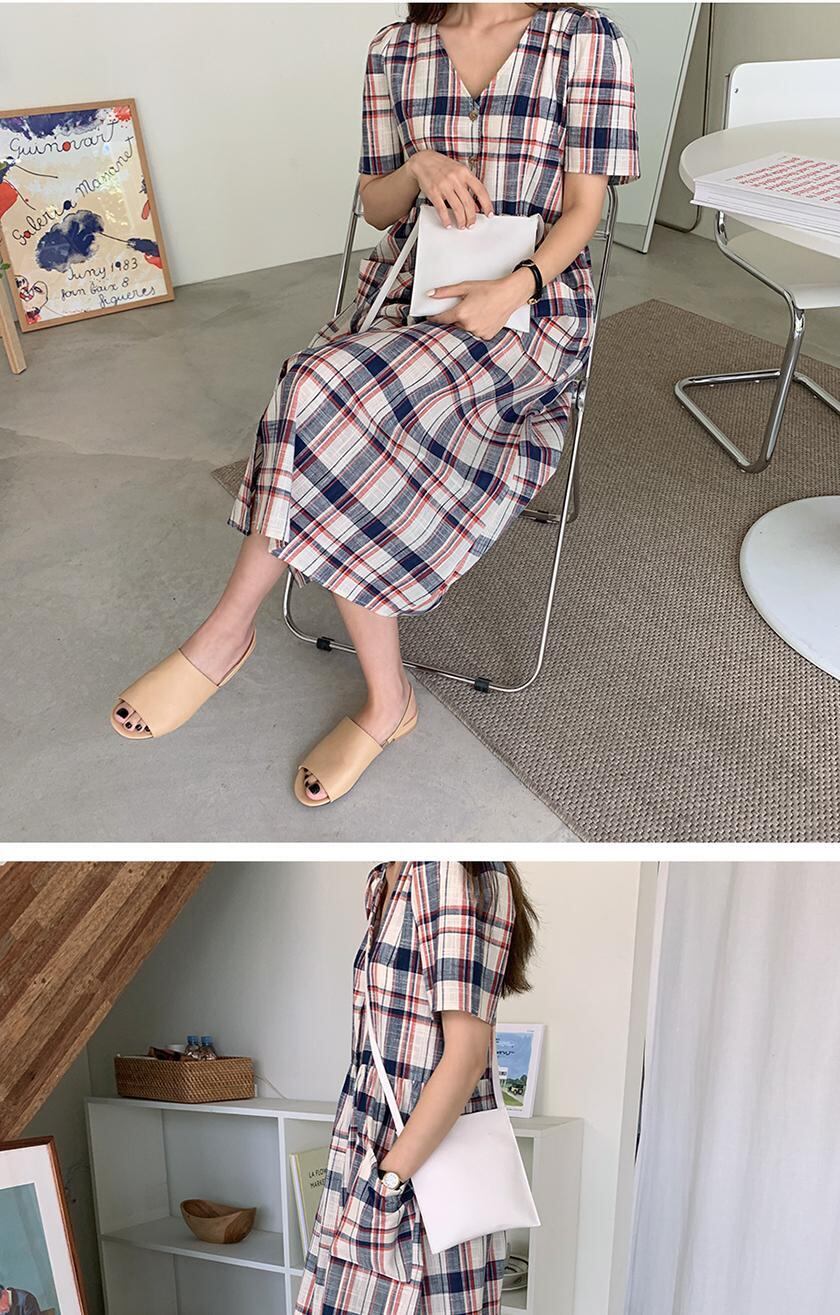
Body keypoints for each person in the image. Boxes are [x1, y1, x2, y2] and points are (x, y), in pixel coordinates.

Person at [110, 3, 639, 810]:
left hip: (528, 315)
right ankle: (383, 699)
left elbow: (584, 212)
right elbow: (377, 206)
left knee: (324, 395)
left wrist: (513, 289)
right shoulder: (396, 49)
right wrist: (419, 165)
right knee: (325, 392)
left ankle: (227, 639)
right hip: (405, 299)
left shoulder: (585, 40)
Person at [296, 860, 538, 1315]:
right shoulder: (385, 877)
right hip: (371, 1158)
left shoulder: (442, 868)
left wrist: (388, 1181)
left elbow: (467, 1057)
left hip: (415, 1174)